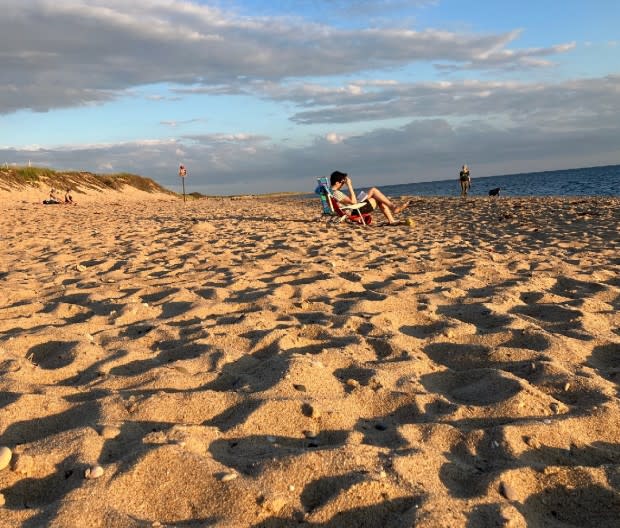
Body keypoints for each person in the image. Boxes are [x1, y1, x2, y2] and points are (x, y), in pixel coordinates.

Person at [329, 170, 411, 225]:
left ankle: (392, 214)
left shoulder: (331, 192)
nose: (343, 184)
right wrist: (350, 186)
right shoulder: (336, 193)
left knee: (375, 193)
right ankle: (393, 210)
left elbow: (348, 202)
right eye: (342, 183)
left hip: (351, 208)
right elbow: (353, 202)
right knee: (375, 192)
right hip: (354, 210)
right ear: (337, 183)